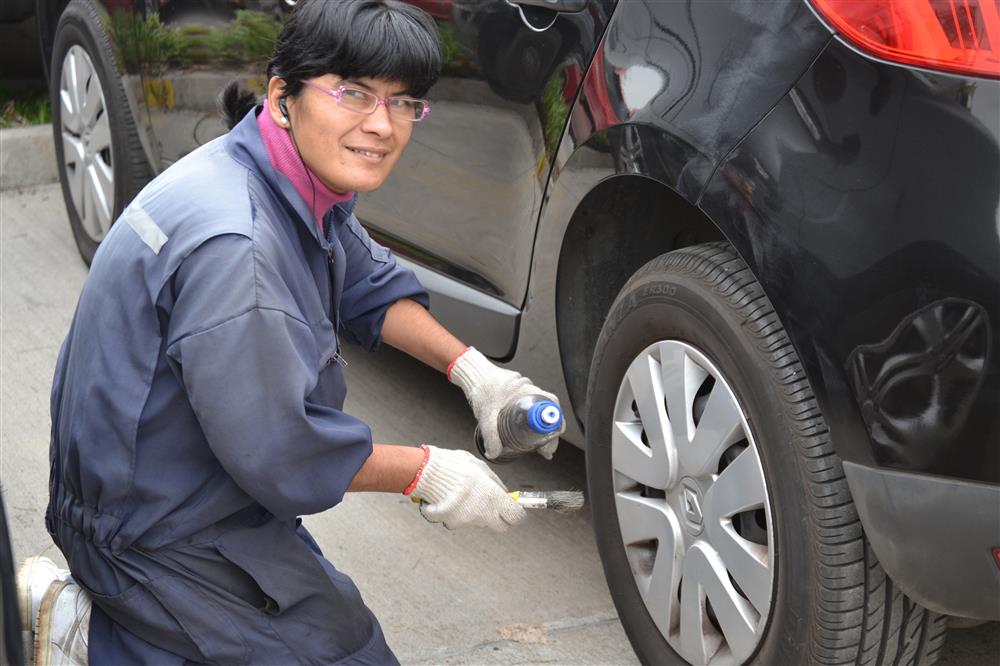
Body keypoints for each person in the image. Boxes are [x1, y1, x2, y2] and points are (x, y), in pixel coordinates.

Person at [17, 1, 564, 663]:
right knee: (344, 655)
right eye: (353, 93)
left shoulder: (277, 169)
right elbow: (284, 453)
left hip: (167, 485)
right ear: (283, 95)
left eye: (402, 103)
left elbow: (362, 277)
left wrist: (479, 376)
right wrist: (431, 473)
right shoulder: (238, 250)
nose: (381, 125)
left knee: (327, 633)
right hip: (148, 531)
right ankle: (87, 630)